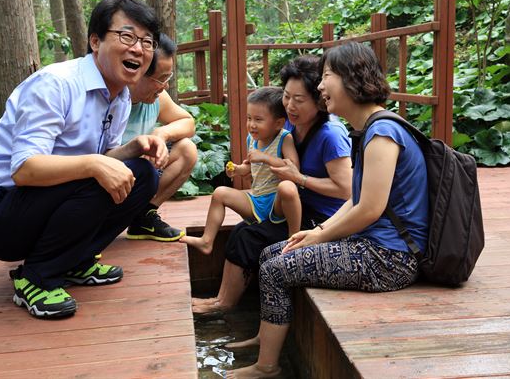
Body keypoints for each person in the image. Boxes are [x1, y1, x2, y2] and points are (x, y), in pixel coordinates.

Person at [225, 41, 429, 378]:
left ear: (352, 79)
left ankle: (267, 367)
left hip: (389, 259)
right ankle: (266, 337)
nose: (320, 86)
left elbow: (369, 210)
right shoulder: (369, 129)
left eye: (328, 75)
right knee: (270, 254)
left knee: (277, 269)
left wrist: (317, 238)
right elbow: (356, 199)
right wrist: (316, 233)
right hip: (371, 245)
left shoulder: (382, 134)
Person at [0, 0, 168, 319]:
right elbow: (24, 168)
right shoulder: (57, 84)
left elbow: (102, 161)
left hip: (41, 202)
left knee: (143, 175)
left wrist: (133, 149)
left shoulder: (120, 99)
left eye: (147, 42)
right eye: (127, 36)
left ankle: (74, 261)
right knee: (98, 172)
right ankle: (36, 278)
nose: (138, 49)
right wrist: (94, 163)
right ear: (95, 41)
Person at [192, 55, 352, 315]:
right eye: (287, 97)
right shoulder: (289, 124)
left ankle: (224, 304)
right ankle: (222, 299)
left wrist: (300, 179)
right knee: (243, 229)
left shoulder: (331, 135)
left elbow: (346, 190)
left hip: (322, 220)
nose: (289, 105)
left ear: (320, 99)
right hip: (290, 205)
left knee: (248, 235)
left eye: (299, 100)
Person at [181, 86, 301, 255]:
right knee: (219, 193)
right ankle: (206, 241)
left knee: (287, 187)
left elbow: (294, 169)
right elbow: (250, 167)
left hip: (277, 202)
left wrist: (265, 157)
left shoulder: (284, 138)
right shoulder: (252, 140)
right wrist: (238, 170)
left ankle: (294, 238)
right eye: (249, 118)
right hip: (256, 199)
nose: (251, 125)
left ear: (278, 123)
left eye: (258, 119)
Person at [122, 34, 197, 242]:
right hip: (106, 179)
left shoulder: (157, 98)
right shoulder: (112, 98)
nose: (164, 86)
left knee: (186, 149)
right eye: (160, 78)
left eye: (168, 77)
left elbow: (188, 122)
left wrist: (161, 134)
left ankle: (143, 216)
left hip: (141, 177)